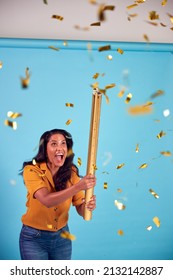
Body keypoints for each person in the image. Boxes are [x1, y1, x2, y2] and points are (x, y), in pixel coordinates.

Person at [19, 128, 96, 260]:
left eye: (63, 143)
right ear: (45, 149)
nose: (59, 148)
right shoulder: (31, 170)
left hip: (62, 237)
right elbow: (46, 200)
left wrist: (87, 207)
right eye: (54, 144)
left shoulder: (71, 172)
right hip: (34, 238)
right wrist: (78, 186)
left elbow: (80, 207)